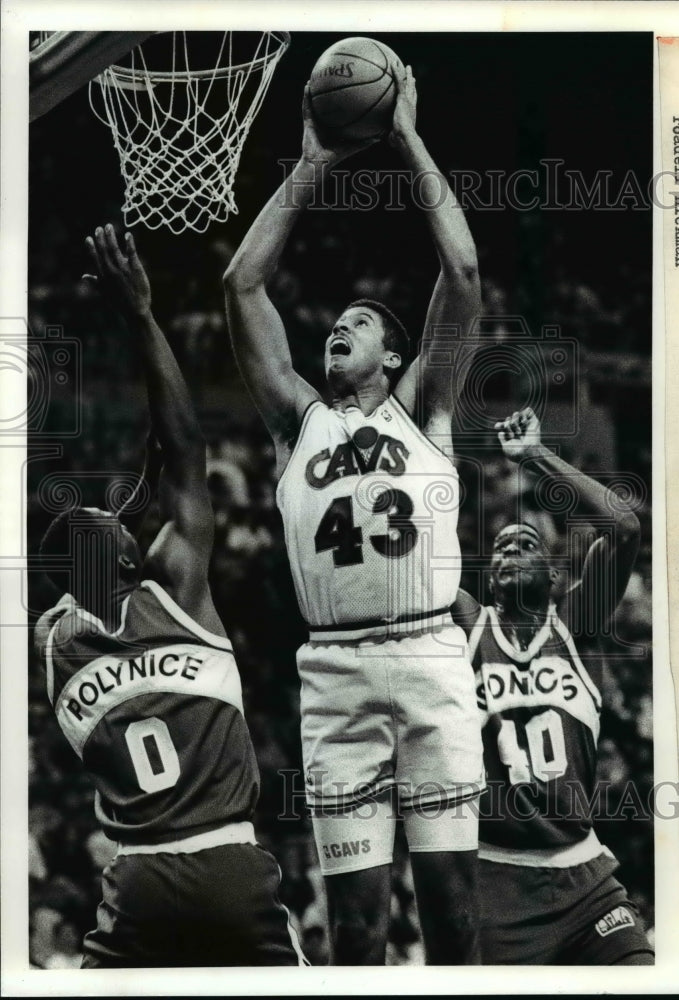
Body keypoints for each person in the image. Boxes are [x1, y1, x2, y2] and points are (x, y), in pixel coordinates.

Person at [224, 64, 484, 964]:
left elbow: (461, 267)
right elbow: (242, 287)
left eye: (361, 322)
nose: (340, 326)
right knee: (359, 933)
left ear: (395, 352)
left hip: (427, 657)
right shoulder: (300, 423)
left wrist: (406, 135)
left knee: (452, 920)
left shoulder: (424, 408)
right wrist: (309, 165)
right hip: (333, 672)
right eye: (333, 323)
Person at [34, 224, 306, 968]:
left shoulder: (53, 640)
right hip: (226, 866)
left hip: (135, 884)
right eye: (120, 522)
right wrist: (140, 314)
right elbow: (187, 450)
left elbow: (92, 553)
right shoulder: (178, 588)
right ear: (126, 552)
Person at [453, 407, 654, 965]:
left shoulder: (575, 622)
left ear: (557, 577)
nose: (510, 549)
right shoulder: (469, 623)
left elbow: (626, 526)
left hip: (587, 878)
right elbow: (419, 557)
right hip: (498, 880)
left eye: (527, 544)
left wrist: (537, 458)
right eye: (501, 548)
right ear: (489, 581)